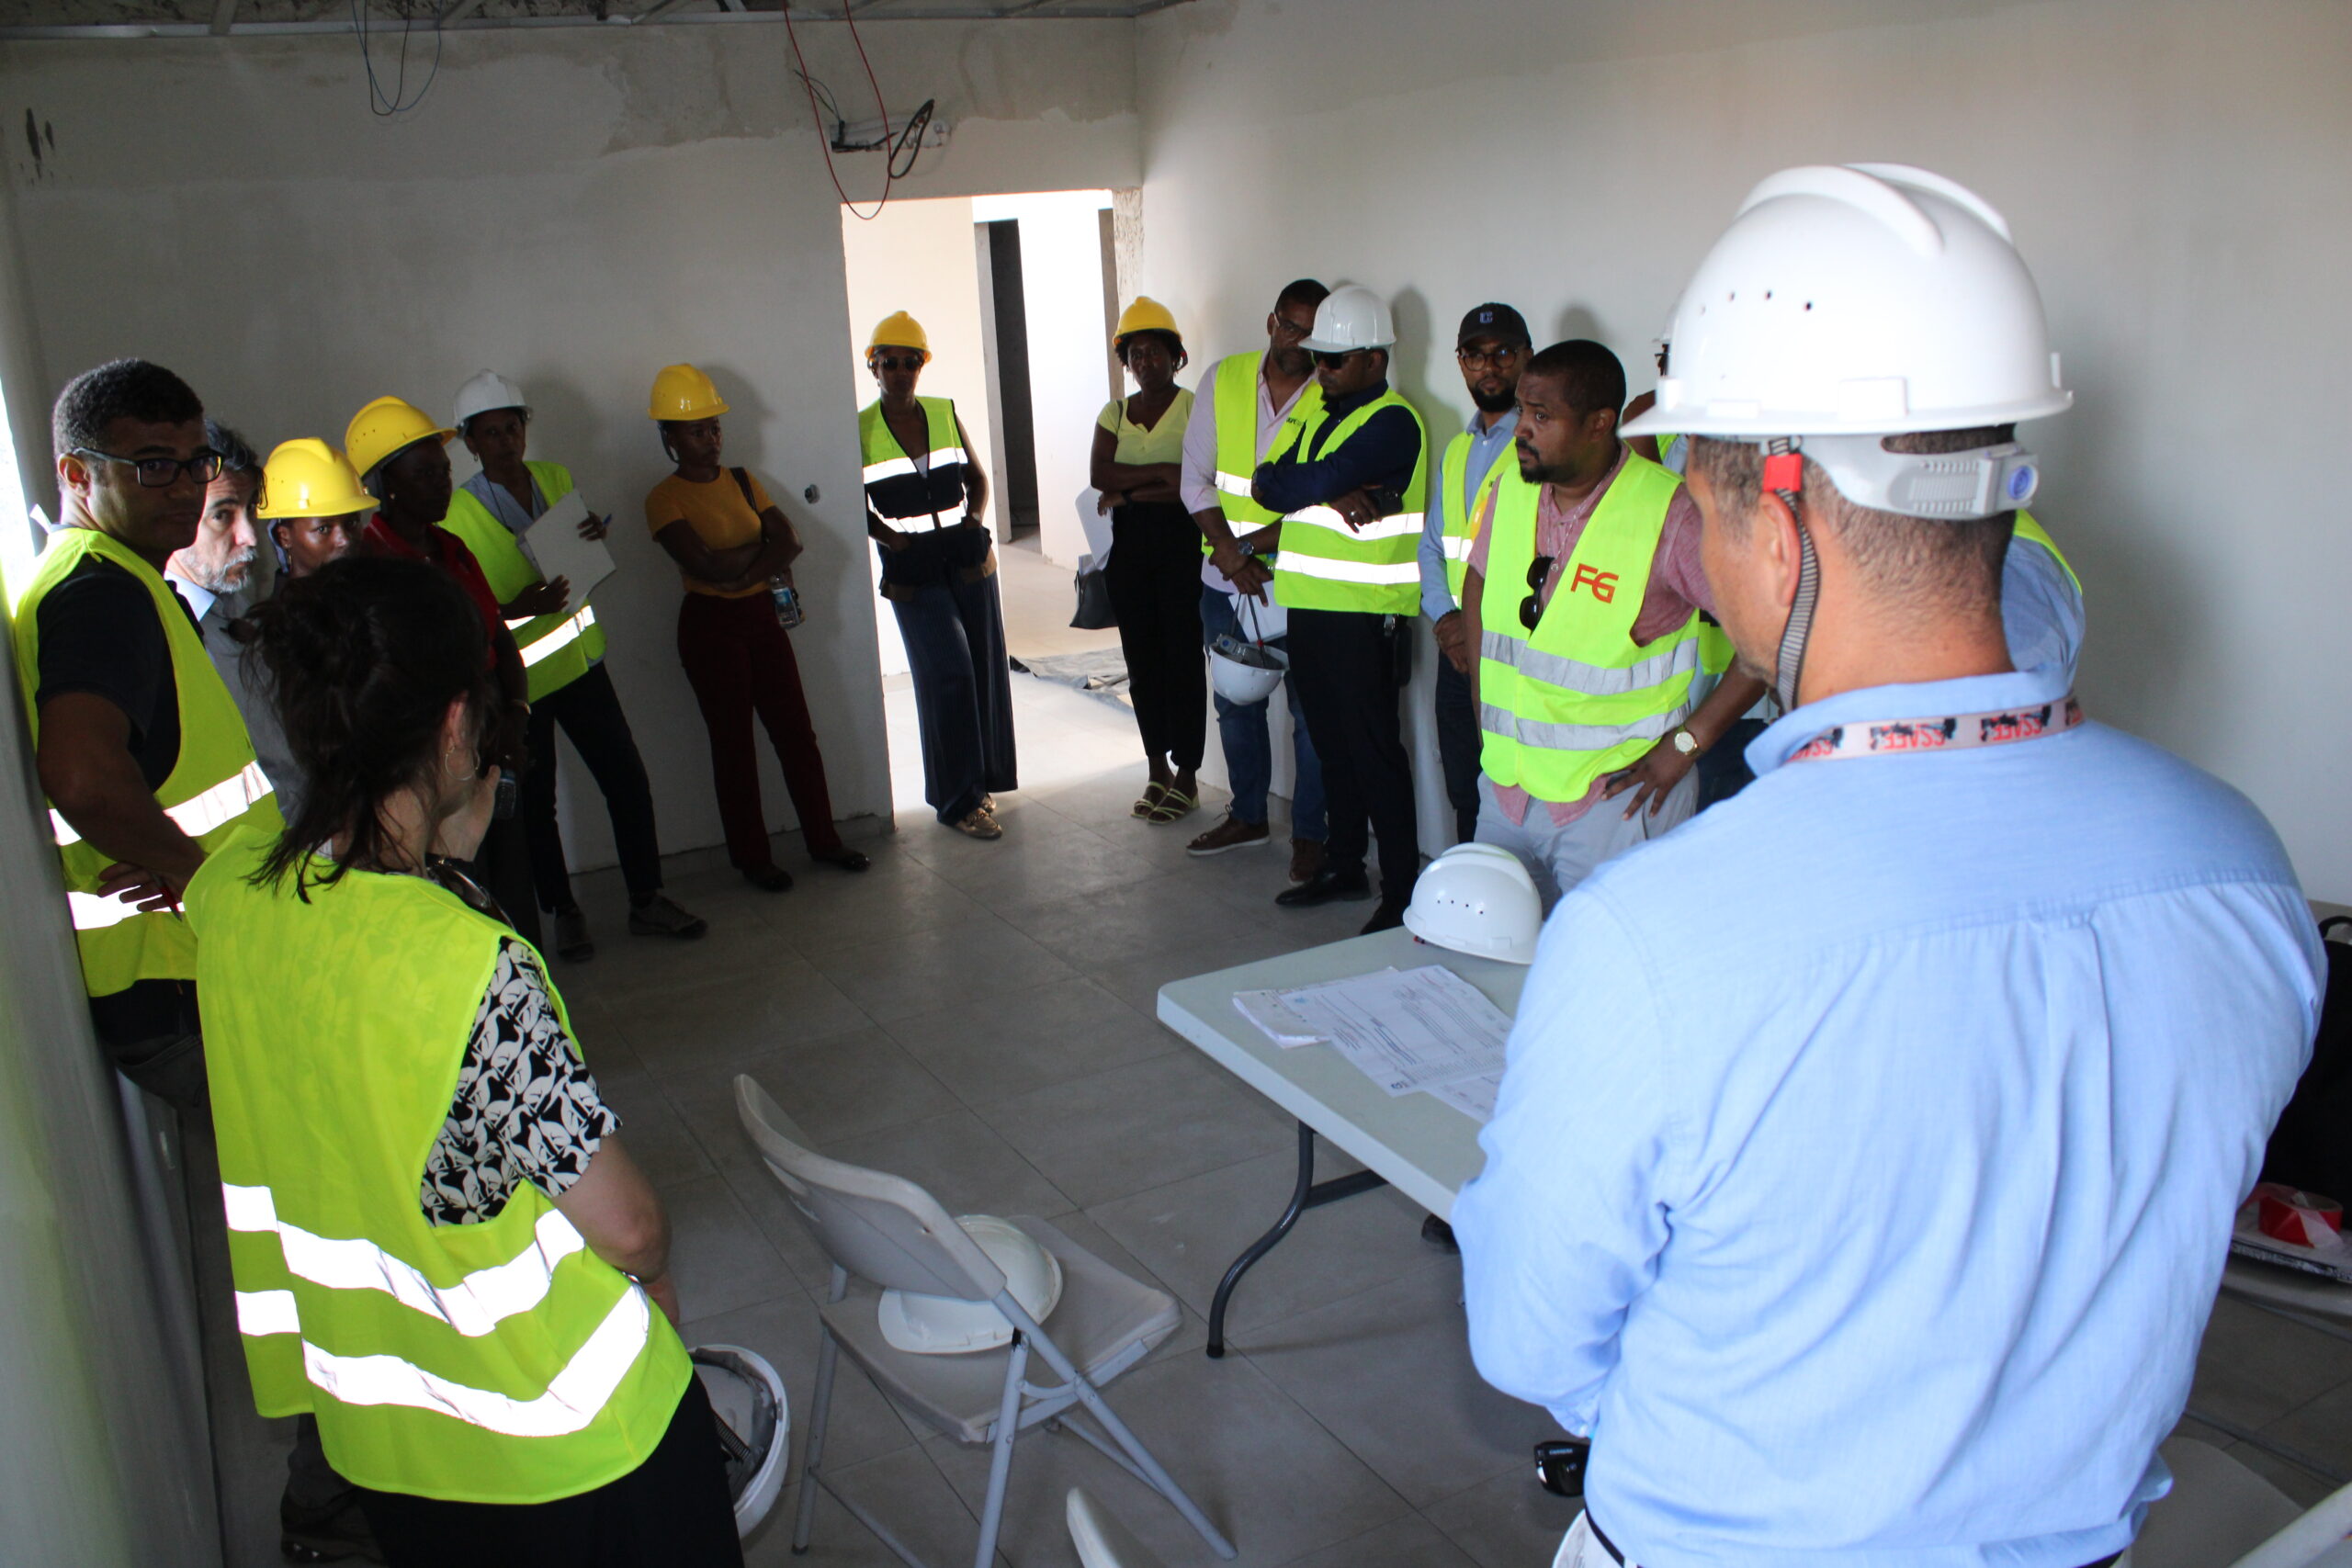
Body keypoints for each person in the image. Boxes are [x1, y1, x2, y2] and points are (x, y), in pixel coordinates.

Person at [1453, 164, 2320, 1568]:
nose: (1696, 544)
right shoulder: (2242, 868)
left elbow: (1532, 1335)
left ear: (1779, 526)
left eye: (1706, 510)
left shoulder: (1656, 939)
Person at [186, 555, 741, 1567]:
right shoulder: (465, 963)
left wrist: (446, 855)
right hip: (573, 1443)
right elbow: (627, 1227)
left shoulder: (227, 901)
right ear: (455, 726)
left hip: (390, 1446)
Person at [12, 360, 281, 1110]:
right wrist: (194, 872)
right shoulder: (99, 591)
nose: (185, 486)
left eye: (198, 461)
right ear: (75, 474)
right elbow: (81, 775)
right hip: (181, 979)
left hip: (186, 971)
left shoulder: (112, 577)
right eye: (152, 464)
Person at [1461, 341, 1769, 909]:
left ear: (1601, 424)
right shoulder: (1509, 492)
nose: (1522, 429)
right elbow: (1478, 587)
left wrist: (1685, 745)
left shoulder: (1669, 515)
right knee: (1490, 966)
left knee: (1605, 982)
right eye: (1524, 411)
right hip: (1506, 789)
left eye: (1542, 417)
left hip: (1614, 805)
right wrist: (1485, 711)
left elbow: (1770, 637)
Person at [442, 371, 705, 959]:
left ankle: (646, 898)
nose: (507, 440)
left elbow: (576, 563)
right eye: (492, 432)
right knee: (538, 806)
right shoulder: (457, 513)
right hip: (520, 686)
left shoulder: (555, 478)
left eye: (514, 427)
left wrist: (591, 539)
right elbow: (464, 611)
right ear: (470, 443)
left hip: (584, 665)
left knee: (626, 780)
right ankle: (563, 910)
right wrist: (517, 608)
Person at [645, 363, 868, 888]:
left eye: (714, 427)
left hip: (761, 617)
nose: (711, 439)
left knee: (796, 734)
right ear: (670, 436)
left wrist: (740, 567)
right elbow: (706, 568)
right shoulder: (663, 498)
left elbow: (789, 541)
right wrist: (756, 558)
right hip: (709, 627)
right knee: (734, 745)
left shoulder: (743, 480)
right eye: (697, 430)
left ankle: (824, 841)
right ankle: (753, 858)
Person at [1246, 284, 1427, 932]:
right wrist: (1328, 485)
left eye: (1334, 360)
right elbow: (1268, 483)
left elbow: (1303, 483)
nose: (1319, 369)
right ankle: (1345, 865)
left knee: (1374, 751)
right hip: (1313, 609)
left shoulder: (1392, 421)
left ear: (1374, 360)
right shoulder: (1324, 416)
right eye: (1319, 357)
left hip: (1362, 614)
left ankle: (1401, 889)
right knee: (1332, 747)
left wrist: (1322, 484)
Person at [347, 393, 543, 949]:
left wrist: (515, 715)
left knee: (511, 869)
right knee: (456, 878)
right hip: (430, 751)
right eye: (425, 473)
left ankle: (528, 978)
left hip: (491, 729)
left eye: (444, 471)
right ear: (387, 484)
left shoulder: (450, 547)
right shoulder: (372, 565)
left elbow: (497, 637)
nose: (441, 484)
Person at [1181, 278, 1329, 879]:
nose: (1301, 342)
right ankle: (1247, 815)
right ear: (1271, 323)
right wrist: (1229, 554)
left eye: (1314, 331)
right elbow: (1195, 478)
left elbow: (1326, 505)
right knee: (1235, 704)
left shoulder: (1336, 392)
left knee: (1312, 716)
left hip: (1304, 583)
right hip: (1225, 581)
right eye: (1292, 327)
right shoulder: (1225, 378)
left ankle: (1312, 835)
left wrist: (1243, 551)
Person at [856, 315, 1019, 840]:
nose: (900, 372)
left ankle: (981, 783)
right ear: (873, 366)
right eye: (889, 362)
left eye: (910, 361)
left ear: (921, 366)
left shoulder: (943, 412)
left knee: (984, 670)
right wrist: (890, 538)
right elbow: (849, 499)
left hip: (968, 561)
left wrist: (974, 519)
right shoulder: (858, 428)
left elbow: (976, 477)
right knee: (948, 673)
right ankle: (957, 801)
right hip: (914, 571)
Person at [1091, 299, 1204, 824]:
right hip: (1128, 550)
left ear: (1175, 356)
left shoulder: (1195, 408)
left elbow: (1196, 484)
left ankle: (1188, 775)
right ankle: (1156, 766)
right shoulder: (1113, 414)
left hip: (1183, 544)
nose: (1144, 363)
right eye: (1135, 354)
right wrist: (1162, 477)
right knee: (1141, 662)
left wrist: (1132, 487)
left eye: (1154, 353)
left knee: (1182, 657)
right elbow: (1101, 477)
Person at [1422, 303, 1529, 847]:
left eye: (1503, 354)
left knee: (1514, 789)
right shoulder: (1459, 449)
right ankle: (1472, 910)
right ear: (1460, 363)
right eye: (1474, 356)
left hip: (1514, 652)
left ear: (1525, 358)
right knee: (1465, 787)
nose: (1489, 368)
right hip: (1459, 651)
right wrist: (1445, 620)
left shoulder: (1539, 447)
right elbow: (1432, 547)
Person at [164, 421, 303, 824]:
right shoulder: (166, 632)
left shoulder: (234, 603)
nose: (250, 536)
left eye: (251, 512)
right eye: (223, 516)